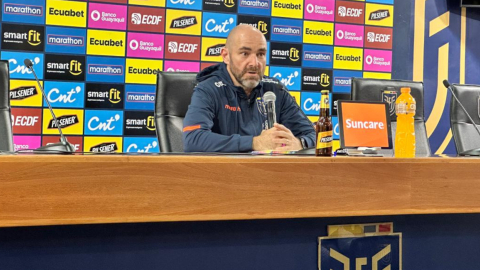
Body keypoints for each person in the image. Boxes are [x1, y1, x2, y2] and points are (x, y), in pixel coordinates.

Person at [182, 24, 315, 152]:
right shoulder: (208, 89)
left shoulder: (275, 90)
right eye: (245, 53)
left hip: (268, 172)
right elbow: (193, 139)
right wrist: (255, 143)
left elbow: (315, 135)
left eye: (260, 54)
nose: (254, 63)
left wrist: (299, 143)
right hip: (223, 172)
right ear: (226, 56)